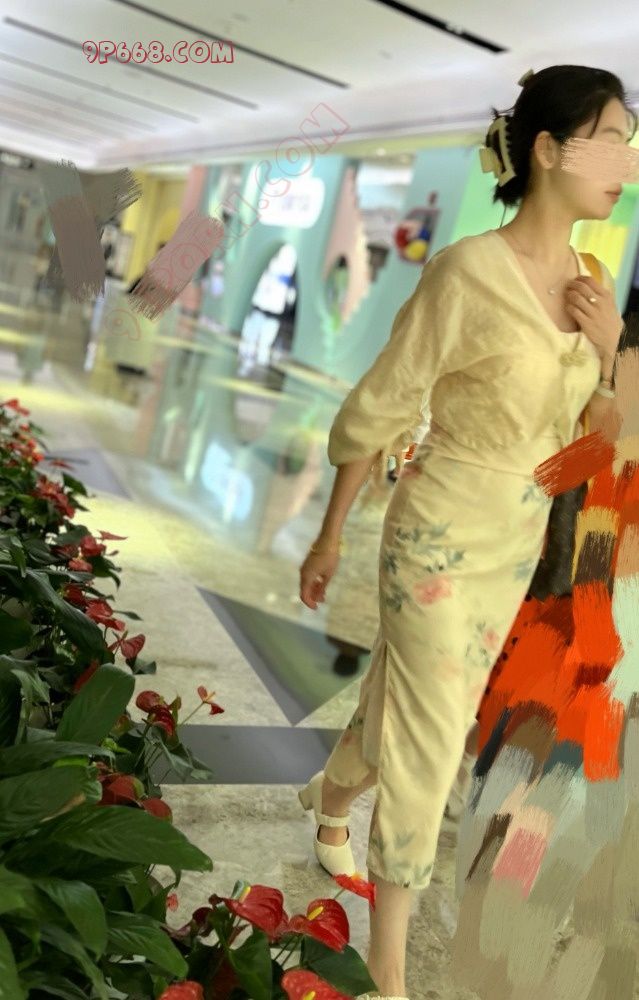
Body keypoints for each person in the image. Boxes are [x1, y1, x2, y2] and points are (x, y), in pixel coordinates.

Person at [297, 64, 634, 1000]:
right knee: (433, 738)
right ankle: (388, 970)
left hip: (515, 537)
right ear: (547, 150)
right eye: (611, 141)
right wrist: (328, 537)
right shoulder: (465, 273)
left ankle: (327, 801)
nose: (625, 164)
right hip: (435, 532)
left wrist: (609, 356)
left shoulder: (593, 283)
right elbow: (382, 404)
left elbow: (583, 454)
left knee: (402, 710)